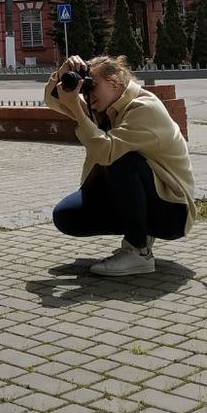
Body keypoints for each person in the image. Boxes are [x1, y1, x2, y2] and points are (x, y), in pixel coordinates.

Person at [45, 54, 195, 276]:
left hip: (173, 211)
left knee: (121, 159)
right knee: (67, 216)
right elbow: (52, 100)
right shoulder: (106, 106)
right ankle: (141, 231)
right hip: (152, 197)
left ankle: (138, 252)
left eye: (92, 85)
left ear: (115, 82)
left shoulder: (144, 108)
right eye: (86, 87)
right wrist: (62, 72)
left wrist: (77, 110)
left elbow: (107, 152)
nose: (88, 92)